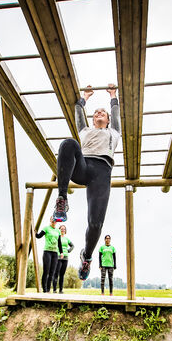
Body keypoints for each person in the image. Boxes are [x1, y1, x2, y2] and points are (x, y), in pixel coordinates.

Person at [52, 84, 120, 281]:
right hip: (82, 167)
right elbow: (78, 113)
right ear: (92, 119)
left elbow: (116, 114)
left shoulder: (114, 132)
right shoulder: (85, 131)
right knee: (68, 143)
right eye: (96, 112)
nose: (99, 113)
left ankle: (87, 257)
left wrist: (113, 96)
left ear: (107, 120)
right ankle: (62, 201)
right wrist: (84, 97)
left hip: (102, 173)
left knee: (96, 223)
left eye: (103, 113)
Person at [36, 217, 63, 293]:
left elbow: (59, 243)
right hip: (47, 252)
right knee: (46, 271)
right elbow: (38, 236)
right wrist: (34, 232)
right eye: (52, 219)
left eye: (55, 220)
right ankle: (44, 289)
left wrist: (61, 252)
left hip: (55, 253)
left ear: (56, 221)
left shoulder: (58, 231)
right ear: (50, 220)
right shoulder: (46, 228)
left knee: (52, 272)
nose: (53, 221)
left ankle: (48, 289)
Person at [54, 225, 74, 293]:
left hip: (65, 258)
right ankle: (54, 289)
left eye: (64, 229)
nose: (63, 230)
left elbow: (72, 246)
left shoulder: (66, 239)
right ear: (59, 230)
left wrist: (68, 251)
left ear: (65, 231)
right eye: (61, 229)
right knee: (56, 273)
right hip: (58, 257)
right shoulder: (57, 237)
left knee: (62, 274)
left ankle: (61, 290)